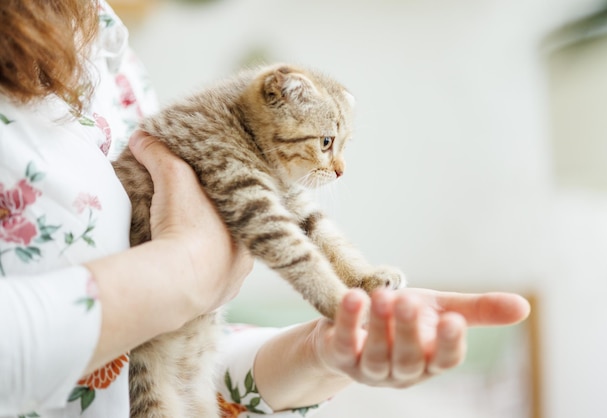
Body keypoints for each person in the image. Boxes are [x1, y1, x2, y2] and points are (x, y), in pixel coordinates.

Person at [0, 1, 530, 417]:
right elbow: (266, 227)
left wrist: (326, 348)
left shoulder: (102, 37)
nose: (337, 165)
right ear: (274, 99)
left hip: (189, 345)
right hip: (149, 361)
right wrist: (188, 273)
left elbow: (304, 219)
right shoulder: (215, 133)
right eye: (325, 143)